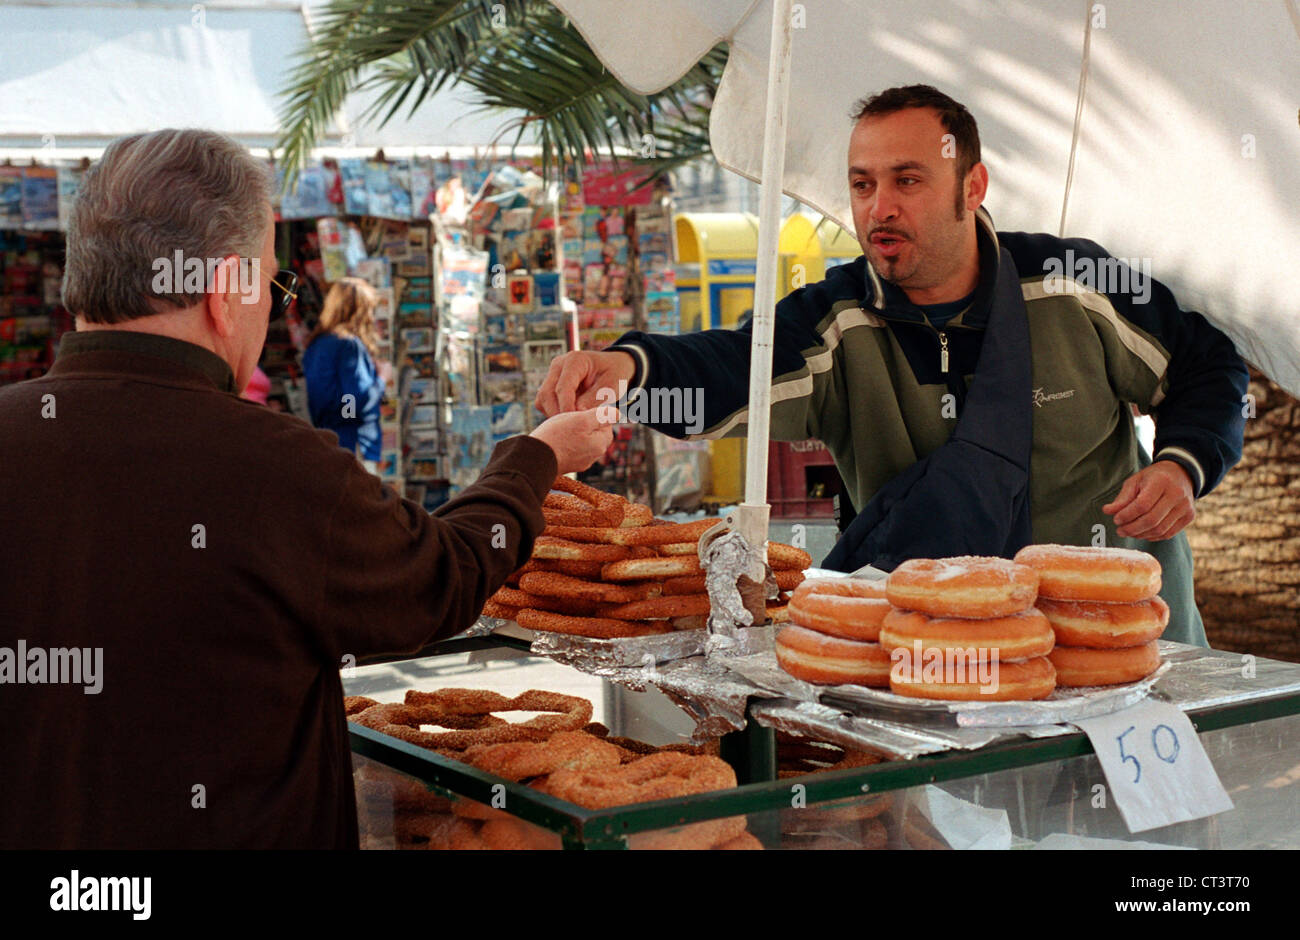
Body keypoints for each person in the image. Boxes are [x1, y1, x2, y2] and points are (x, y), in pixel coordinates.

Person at [0, 128, 613, 848]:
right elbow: (440, 579)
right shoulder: (275, 468)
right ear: (226, 294)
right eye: (269, 284)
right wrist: (537, 458)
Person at [537, 85, 1248, 647]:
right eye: (863, 184)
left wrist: (1183, 464)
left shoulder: (1071, 282)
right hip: (935, 662)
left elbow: (1205, 365)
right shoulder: (838, 319)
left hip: (1120, 642)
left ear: (973, 187)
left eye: (908, 180)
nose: (880, 207)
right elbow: (734, 366)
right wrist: (628, 369)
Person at [302, 277, 385, 469]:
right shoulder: (348, 345)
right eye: (370, 311)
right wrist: (381, 379)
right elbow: (353, 402)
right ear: (359, 312)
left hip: (330, 440)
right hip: (353, 445)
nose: (372, 318)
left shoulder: (317, 344)